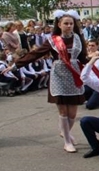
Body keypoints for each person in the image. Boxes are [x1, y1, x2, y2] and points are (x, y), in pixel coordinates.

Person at [3, 10, 87, 153]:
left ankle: (65, 131)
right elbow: (35, 54)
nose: (69, 26)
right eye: (66, 23)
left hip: (74, 74)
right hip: (58, 74)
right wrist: (15, 65)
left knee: (73, 112)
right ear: (59, 25)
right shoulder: (53, 40)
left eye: (71, 23)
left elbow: (84, 58)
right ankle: (67, 141)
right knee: (63, 110)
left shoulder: (79, 38)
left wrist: (97, 62)